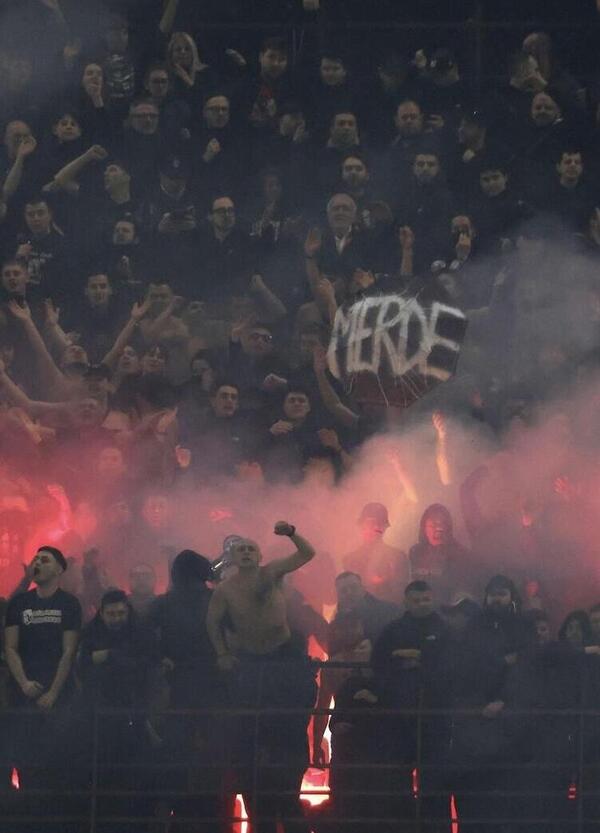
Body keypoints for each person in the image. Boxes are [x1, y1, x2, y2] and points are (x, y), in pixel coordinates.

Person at [207, 522, 317, 833]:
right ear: (232, 556)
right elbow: (212, 622)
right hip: (249, 662)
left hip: (282, 658)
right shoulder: (225, 590)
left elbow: (308, 553)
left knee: (286, 725)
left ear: (259, 555)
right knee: (251, 727)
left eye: (250, 548)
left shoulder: (272, 573)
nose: (245, 552)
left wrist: (292, 532)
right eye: (240, 549)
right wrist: (222, 653)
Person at [3, 545, 81, 831]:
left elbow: (68, 651)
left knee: (56, 760)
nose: (38, 562)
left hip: (58, 697)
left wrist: (53, 692)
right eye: (36, 558)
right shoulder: (19, 604)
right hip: (23, 696)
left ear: (59, 569)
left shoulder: (69, 604)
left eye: (44, 559)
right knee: (24, 760)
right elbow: (10, 647)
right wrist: (23, 682)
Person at [79, 588, 160, 832]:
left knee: (137, 780)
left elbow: (147, 663)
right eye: (111, 614)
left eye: (120, 613)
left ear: (128, 612)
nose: (116, 618)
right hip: (99, 720)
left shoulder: (140, 633)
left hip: (136, 716)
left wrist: (108, 656)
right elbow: (83, 667)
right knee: (103, 779)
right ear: (101, 614)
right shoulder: (91, 633)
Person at [343, 502, 408, 603]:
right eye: (371, 523)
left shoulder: (398, 557)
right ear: (362, 525)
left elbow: (402, 596)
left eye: (380, 523)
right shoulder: (350, 560)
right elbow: (347, 597)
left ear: (385, 527)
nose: (376, 528)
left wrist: (388, 582)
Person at [408, 503, 471, 604]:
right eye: (433, 525)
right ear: (424, 528)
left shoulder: (460, 554)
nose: (438, 529)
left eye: (442, 524)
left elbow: (464, 590)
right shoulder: (415, 552)